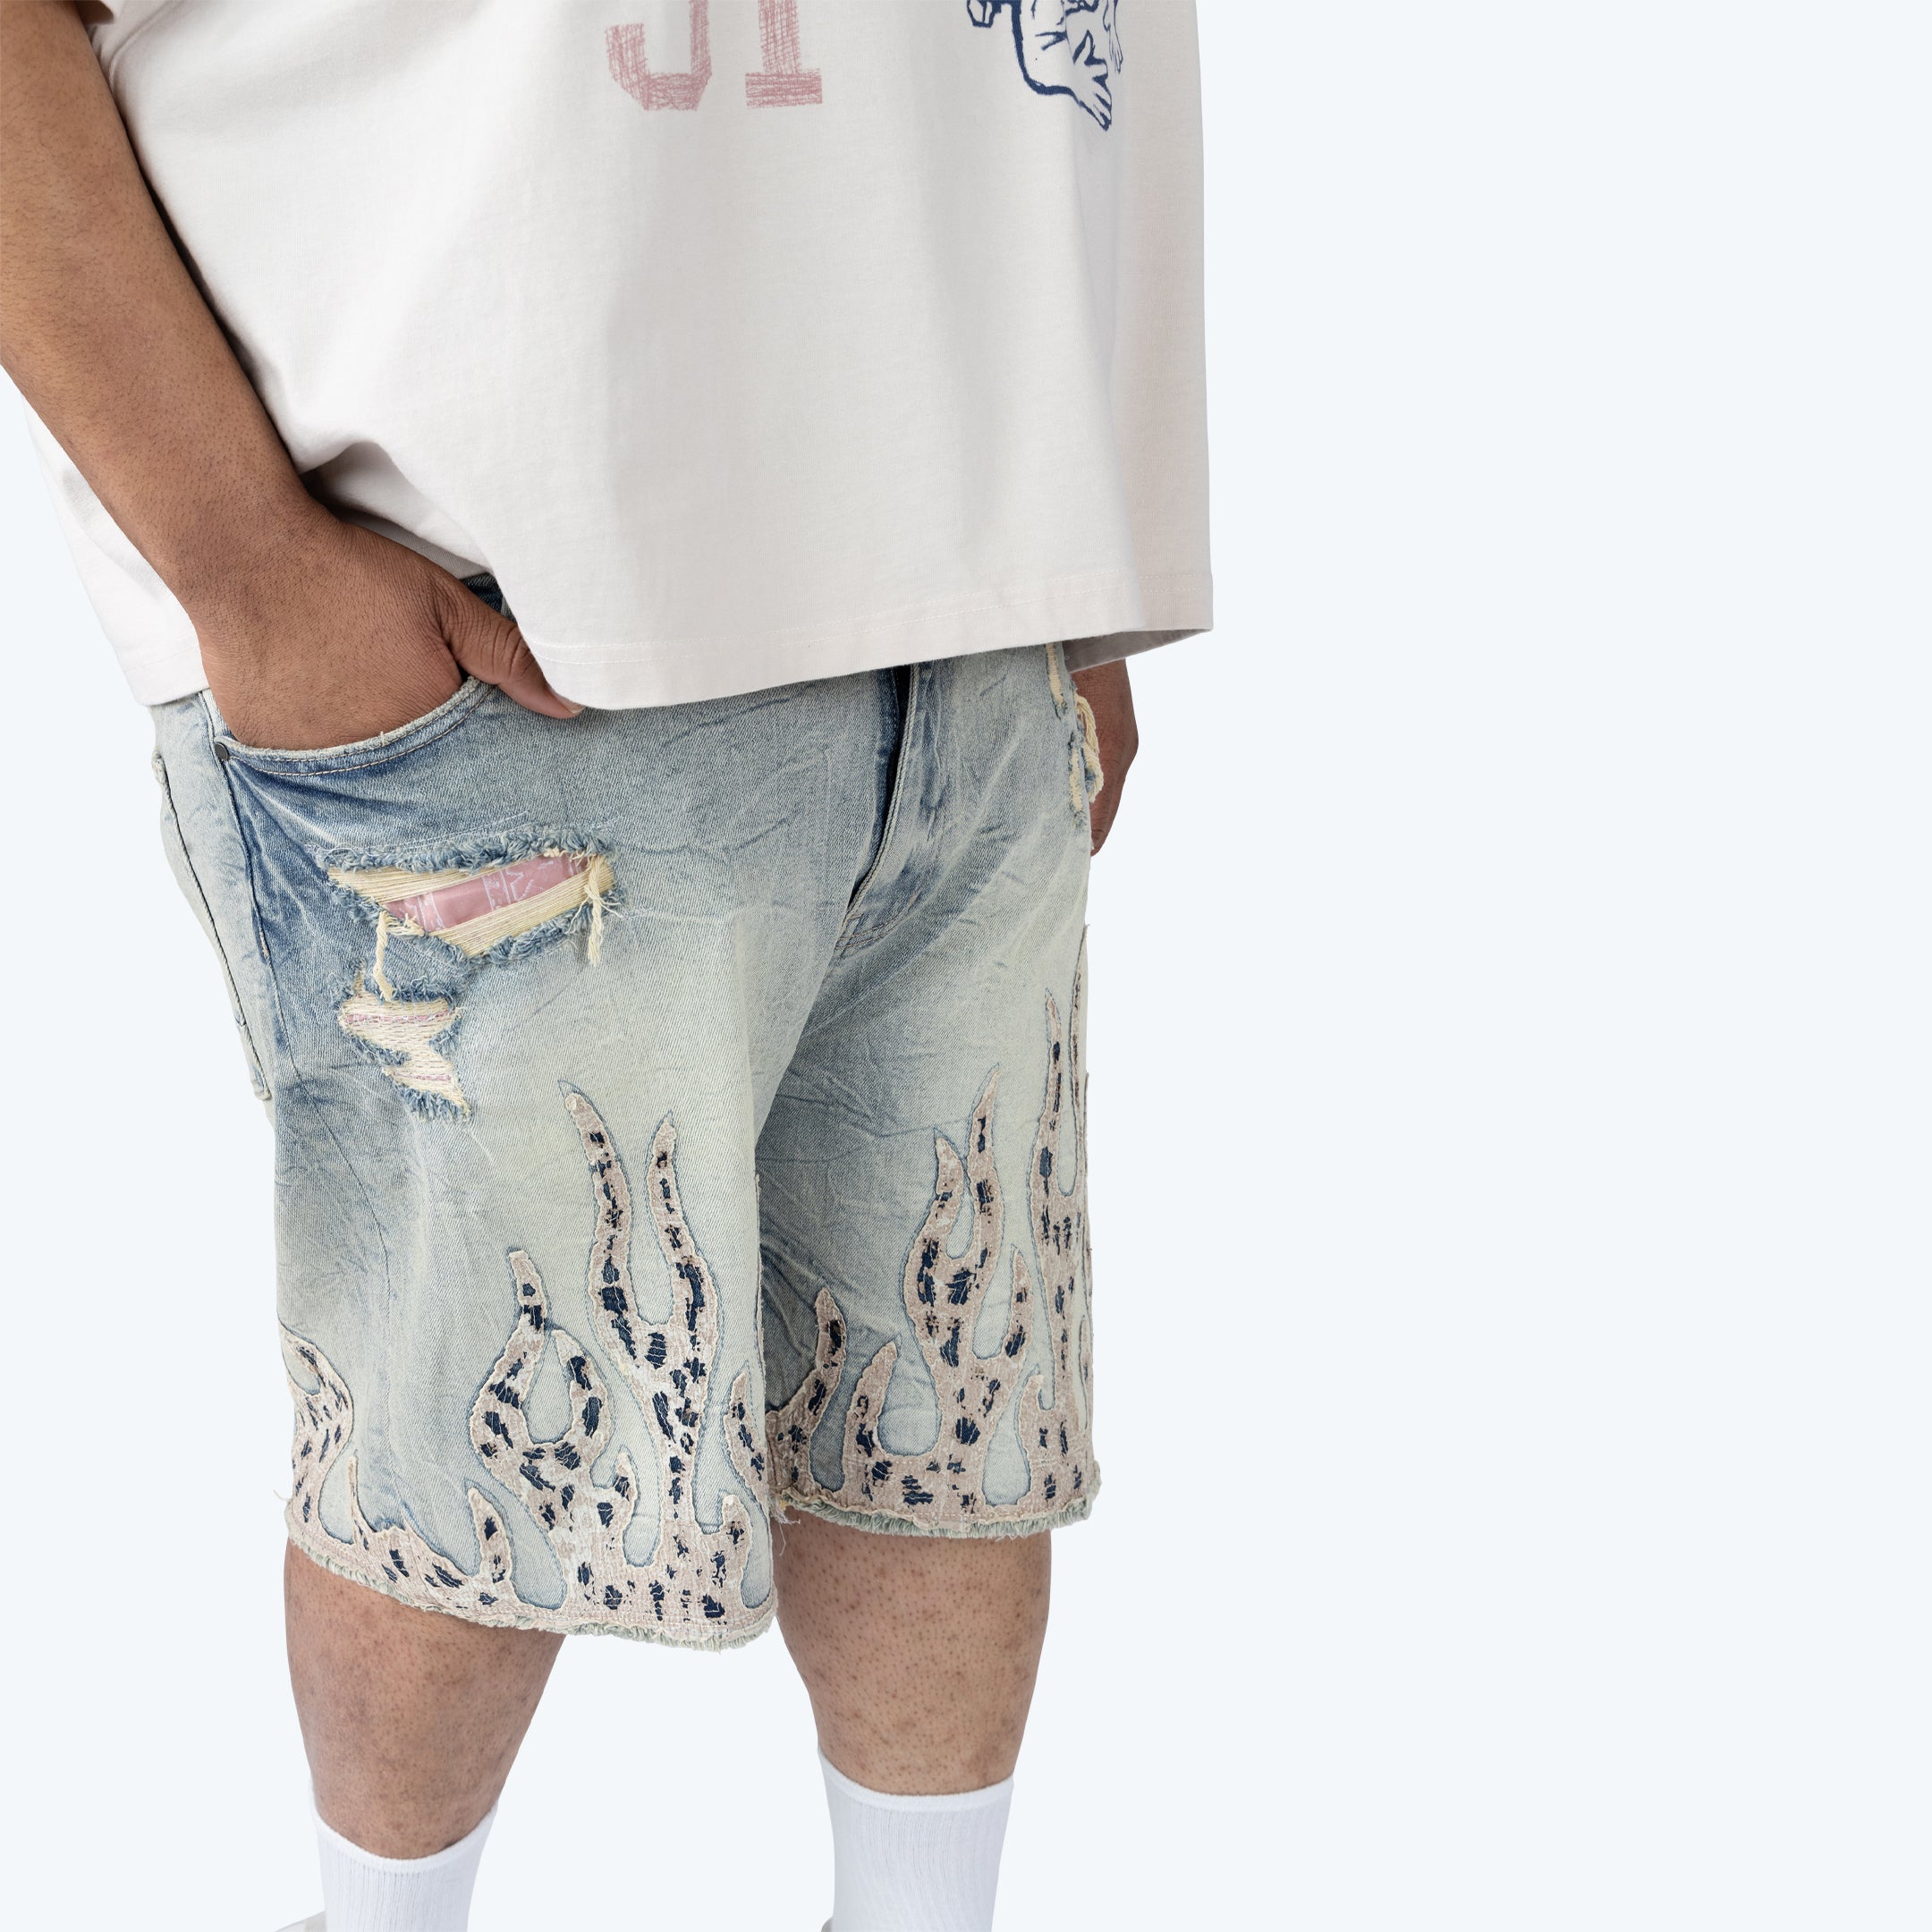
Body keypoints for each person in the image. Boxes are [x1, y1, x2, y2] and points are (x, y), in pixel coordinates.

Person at [0, 2, 1208, 1926]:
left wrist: (1085, 561)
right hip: (502, 606)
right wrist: (245, 561)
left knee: (948, 1403)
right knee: (461, 1439)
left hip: (971, 585)